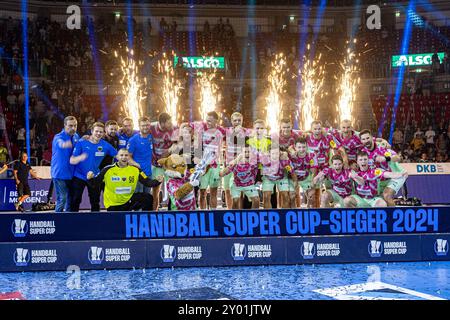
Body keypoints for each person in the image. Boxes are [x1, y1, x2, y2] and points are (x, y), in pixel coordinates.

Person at [87, 149, 163, 211]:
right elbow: (95, 183)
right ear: (117, 157)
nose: (124, 157)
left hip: (128, 200)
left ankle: (146, 221)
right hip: (113, 204)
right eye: (121, 155)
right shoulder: (107, 170)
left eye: (126, 155)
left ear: (129, 157)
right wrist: (90, 178)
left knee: (148, 198)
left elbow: (147, 182)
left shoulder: (135, 170)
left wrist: (157, 181)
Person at [70, 122, 117, 212]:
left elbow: (118, 155)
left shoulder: (105, 145)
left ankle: (95, 221)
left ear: (104, 133)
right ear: (91, 131)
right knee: (75, 200)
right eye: (96, 131)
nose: (98, 133)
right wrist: (81, 157)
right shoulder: (81, 142)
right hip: (79, 176)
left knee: (95, 201)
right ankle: (72, 220)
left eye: (101, 132)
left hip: (94, 177)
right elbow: (72, 160)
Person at [359, 129, 408, 206]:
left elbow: (398, 158)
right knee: (381, 201)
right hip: (381, 179)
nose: (366, 141)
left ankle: (393, 217)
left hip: (396, 175)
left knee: (386, 195)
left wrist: (386, 158)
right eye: (363, 139)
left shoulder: (381, 147)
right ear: (361, 141)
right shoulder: (363, 153)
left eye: (368, 138)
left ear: (372, 138)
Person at [191, 111, 226, 210]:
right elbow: (197, 145)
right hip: (203, 165)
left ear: (216, 121)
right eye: (207, 120)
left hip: (215, 165)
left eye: (210, 121)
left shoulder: (221, 131)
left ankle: (213, 214)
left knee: (214, 191)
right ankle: (202, 214)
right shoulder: (202, 130)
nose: (208, 123)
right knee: (202, 192)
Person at [51, 115, 79, 212]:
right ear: (64, 125)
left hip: (72, 174)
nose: (73, 128)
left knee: (70, 201)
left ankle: (68, 222)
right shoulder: (58, 137)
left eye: (75, 125)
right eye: (70, 126)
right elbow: (59, 143)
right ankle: (58, 222)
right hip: (60, 174)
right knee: (62, 200)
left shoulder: (76, 136)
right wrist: (64, 144)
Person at [149, 112, 177, 210]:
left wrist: (170, 149)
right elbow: (139, 131)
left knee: (173, 189)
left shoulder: (175, 128)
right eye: (169, 123)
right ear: (162, 123)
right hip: (156, 165)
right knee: (155, 191)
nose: (171, 124)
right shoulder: (151, 127)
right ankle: (154, 212)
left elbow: (181, 141)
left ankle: (174, 211)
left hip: (169, 165)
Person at [223, 112, 250, 209]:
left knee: (240, 190)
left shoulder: (246, 131)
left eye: (239, 120)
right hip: (228, 164)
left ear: (242, 121)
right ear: (231, 121)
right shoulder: (227, 131)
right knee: (227, 189)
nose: (237, 122)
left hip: (240, 165)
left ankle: (240, 210)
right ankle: (229, 210)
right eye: (235, 120)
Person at [288, 137, 317, 208]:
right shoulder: (290, 156)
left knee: (311, 196)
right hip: (292, 178)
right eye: (299, 147)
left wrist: (312, 183)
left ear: (307, 146)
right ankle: (293, 213)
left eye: (304, 147)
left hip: (306, 178)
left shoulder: (312, 155)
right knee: (292, 196)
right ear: (295, 147)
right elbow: (291, 171)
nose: (301, 149)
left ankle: (309, 212)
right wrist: (295, 182)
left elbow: (314, 171)